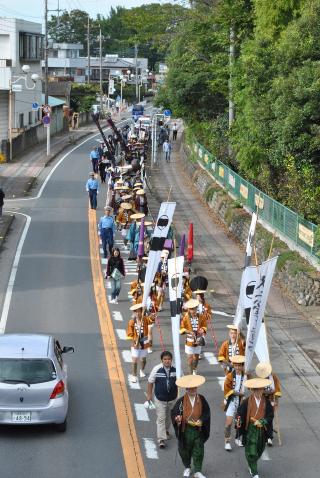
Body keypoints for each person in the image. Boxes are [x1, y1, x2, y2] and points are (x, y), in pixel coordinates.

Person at [171, 374, 210, 478]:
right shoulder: (181, 401)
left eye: (194, 388)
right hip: (185, 429)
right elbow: (174, 413)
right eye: (190, 388)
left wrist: (201, 420)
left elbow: (207, 412)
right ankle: (187, 467)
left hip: (198, 429)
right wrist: (177, 418)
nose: (192, 390)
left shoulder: (201, 399)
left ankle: (198, 471)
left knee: (199, 450)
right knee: (184, 450)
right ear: (186, 389)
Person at [236, 377, 274, 478]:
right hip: (251, 429)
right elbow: (239, 413)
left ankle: (251, 463)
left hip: (262, 429)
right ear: (253, 390)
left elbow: (270, 414)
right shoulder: (247, 401)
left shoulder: (266, 401)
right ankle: (254, 472)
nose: (259, 391)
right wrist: (238, 420)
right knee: (251, 450)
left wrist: (263, 421)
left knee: (260, 449)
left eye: (261, 389)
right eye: (256, 390)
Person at [147, 351, 178, 449]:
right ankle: (161, 439)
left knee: (169, 418)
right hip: (160, 399)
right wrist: (149, 395)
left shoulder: (176, 369)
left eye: (169, 359)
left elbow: (182, 381)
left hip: (172, 399)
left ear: (171, 360)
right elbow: (150, 382)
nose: (167, 361)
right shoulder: (156, 369)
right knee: (161, 418)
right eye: (165, 359)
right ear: (162, 360)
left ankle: (166, 430)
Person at [223, 355, 248, 450]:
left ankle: (238, 437)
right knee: (228, 422)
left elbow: (251, 384)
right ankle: (227, 441)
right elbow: (227, 390)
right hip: (232, 401)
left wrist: (248, 374)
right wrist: (238, 393)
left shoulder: (245, 375)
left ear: (242, 366)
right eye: (236, 365)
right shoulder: (229, 376)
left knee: (239, 421)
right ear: (233, 365)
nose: (237, 368)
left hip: (241, 401)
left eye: (239, 366)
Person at [255, 361, 282, 446]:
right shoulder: (258, 378)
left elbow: (277, 388)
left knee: (269, 418)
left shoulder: (273, 376)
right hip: (261, 400)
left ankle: (269, 438)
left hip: (270, 400)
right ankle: (262, 436)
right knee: (261, 418)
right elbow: (256, 390)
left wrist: (276, 401)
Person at [126, 303, 154, 383]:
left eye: (139, 312)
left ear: (142, 312)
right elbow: (129, 334)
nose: (137, 313)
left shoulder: (145, 319)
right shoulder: (131, 322)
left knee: (143, 360)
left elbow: (152, 319)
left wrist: (147, 311)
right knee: (134, 360)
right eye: (136, 312)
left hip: (144, 343)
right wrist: (134, 342)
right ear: (134, 313)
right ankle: (134, 375)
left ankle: (142, 369)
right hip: (135, 344)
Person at [180, 299, 207, 375]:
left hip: (198, 340)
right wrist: (189, 332)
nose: (193, 311)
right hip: (189, 340)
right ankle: (190, 373)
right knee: (189, 359)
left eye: (195, 308)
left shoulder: (201, 317)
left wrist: (202, 330)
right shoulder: (185, 318)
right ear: (189, 309)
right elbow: (181, 328)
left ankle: (195, 369)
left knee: (196, 358)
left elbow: (205, 326)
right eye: (192, 309)